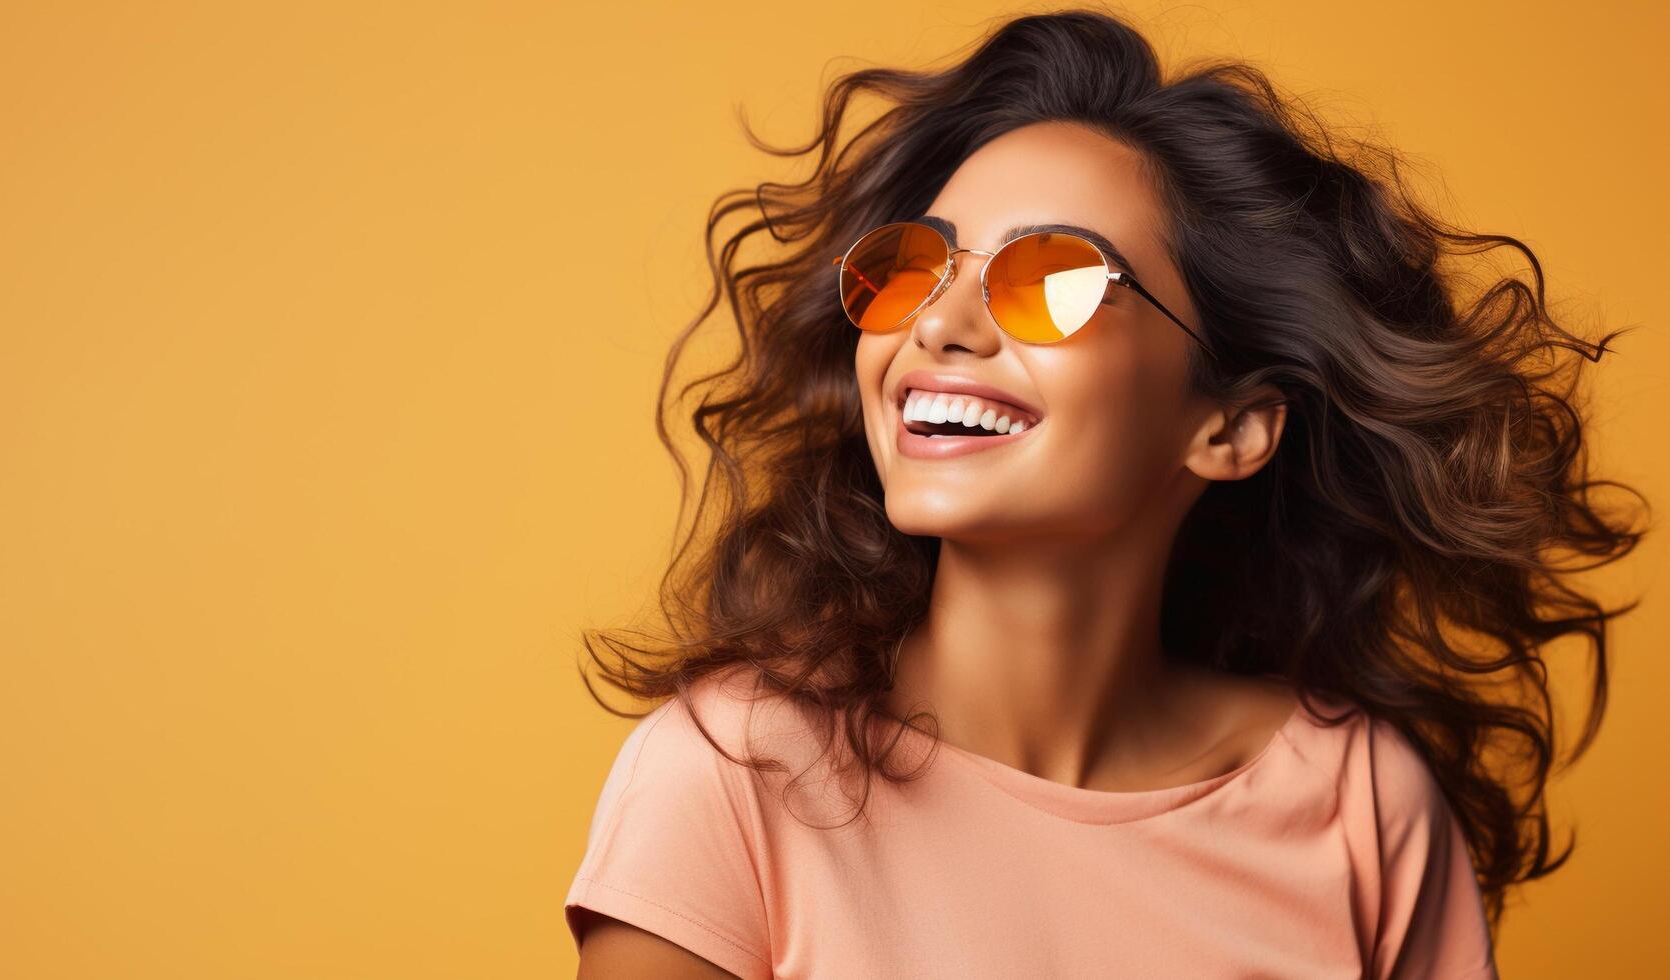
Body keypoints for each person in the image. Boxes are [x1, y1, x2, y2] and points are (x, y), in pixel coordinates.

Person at [563, 8, 1644, 978]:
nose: (936, 322)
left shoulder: (1359, 803)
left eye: (1048, 279)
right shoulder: (732, 771)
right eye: (913, 265)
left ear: (1229, 426)